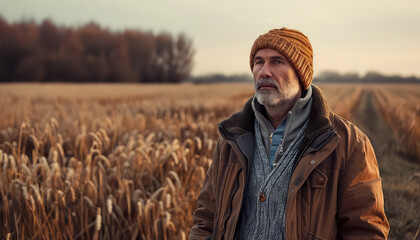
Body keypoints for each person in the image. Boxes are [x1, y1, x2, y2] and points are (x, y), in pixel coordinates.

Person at [189, 27, 389, 240]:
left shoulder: (348, 144)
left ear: (301, 75)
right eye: (259, 62)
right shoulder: (232, 139)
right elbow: (206, 220)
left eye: (277, 61)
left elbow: (365, 231)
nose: (264, 71)